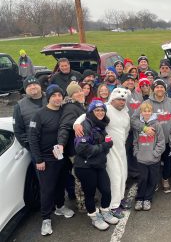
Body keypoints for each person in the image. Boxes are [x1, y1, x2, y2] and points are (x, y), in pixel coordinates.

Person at [28, 84, 75, 236]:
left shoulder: (64, 111)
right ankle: (46, 219)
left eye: (59, 95)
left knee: (60, 184)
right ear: (48, 97)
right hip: (46, 159)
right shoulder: (39, 114)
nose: (57, 98)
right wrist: (38, 160)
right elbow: (32, 138)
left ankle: (60, 207)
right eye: (54, 95)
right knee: (47, 190)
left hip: (61, 158)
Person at [74, 100, 119, 230]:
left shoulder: (100, 125)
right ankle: (95, 217)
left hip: (98, 164)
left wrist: (105, 146)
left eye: (102, 110)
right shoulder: (85, 125)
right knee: (90, 193)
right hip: (85, 167)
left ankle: (105, 211)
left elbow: (99, 146)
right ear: (91, 112)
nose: (100, 112)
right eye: (97, 110)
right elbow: (82, 149)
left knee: (106, 190)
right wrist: (104, 146)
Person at [131, 79, 171, 194]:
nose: (159, 89)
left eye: (162, 87)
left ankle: (165, 179)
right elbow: (133, 119)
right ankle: (154, 181)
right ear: (153, 89)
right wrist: (144, 128)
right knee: (153, 162)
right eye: (157, 87)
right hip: (150, 141)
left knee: (167, 161)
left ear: (165, 88)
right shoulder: (147, 103)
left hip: (167, 140)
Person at [57, 82, 86, 209]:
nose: (79, 93)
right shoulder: (70, 108)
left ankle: (85, 198)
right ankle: (82, 203)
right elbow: (64, 126)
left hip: (81, 147)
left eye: (80, 91)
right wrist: (61, 144)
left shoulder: (78, 105)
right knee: (80, 176)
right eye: (75, 92)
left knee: (83, 175)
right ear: (71, 95)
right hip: (75, 150)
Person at [133, 103, 165, 211]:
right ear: (141, 112)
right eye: (144, 111)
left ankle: (147, 199)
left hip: (153, 160)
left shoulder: (157, 125)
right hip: (141, 159)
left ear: (151, 112)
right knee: (142, 179)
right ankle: (139, 198)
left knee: (152, 180)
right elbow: (135, 141)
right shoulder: (139, 125)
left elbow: (161, 142)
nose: (146, 113)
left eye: (148, 111)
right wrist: (137, 153)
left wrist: (155, 154)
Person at [13, 76, 47, 153]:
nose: (32, 87)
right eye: (29, 86)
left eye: (34, 84)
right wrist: (30, 147)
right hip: (37, 149)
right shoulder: (19, 106)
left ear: (40, 86)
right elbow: (18, 131)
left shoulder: (51, 98)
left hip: (56, 145)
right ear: (25, 90)